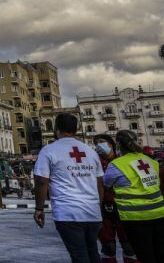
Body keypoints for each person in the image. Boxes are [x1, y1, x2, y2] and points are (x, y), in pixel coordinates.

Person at [34, 113, 104, 263]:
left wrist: (39, 208)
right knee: (93, 253)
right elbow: (99, 182)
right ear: (77, 128)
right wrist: (99, 206)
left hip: (68, 213)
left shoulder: (49, 150)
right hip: (93, 213)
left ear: (56, 128)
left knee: (79, 256)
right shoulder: (90, 151)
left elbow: (41, 181)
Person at [103, 130, 164, 262]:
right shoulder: (150, 161)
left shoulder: (117, 165)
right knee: (159, 253)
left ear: (118, 144)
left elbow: (106, 184)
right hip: (159, 213)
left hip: (135, 217)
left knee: (144, 255)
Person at [92, 134, 137, 263]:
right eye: (96, 143)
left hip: (123, 208)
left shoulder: (123, 161)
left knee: (129, 246)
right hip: (102, 208)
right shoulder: (94, 162)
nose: (98, 145)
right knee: (108, 247)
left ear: (111, 144)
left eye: (101, 142)